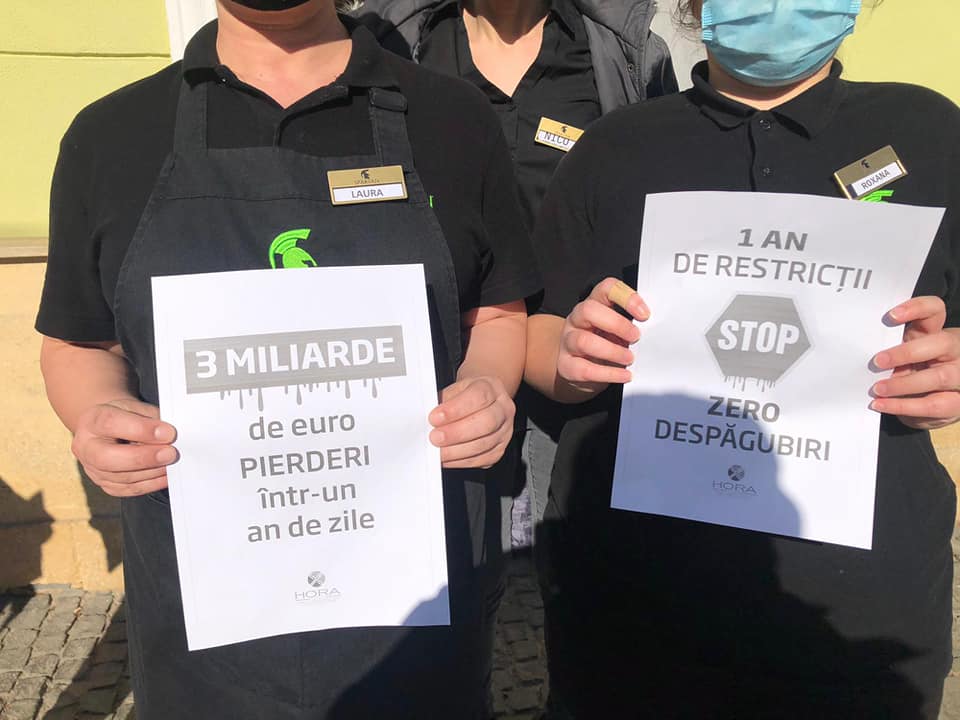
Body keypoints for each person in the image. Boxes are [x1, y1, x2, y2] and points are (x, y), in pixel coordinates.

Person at [36, 1, 540, 717]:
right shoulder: (112, 134)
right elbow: (80, 341)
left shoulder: (452, 119)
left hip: (415, 607)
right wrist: (97, 413)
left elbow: (496, 310)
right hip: (205, 627)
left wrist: (487, 382)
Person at [524, 0, 960, 717]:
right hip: (633, 607)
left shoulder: (929, 129)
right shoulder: (615, 145)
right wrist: (568, 356)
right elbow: (535, 332)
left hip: (859, 611)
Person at [355, 0, 678, 550]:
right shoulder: (392, 43)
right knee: (449, 558)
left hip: (578, 370)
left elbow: (663, 206)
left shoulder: (627, 54)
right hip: (441, 379)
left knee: (566, 561)